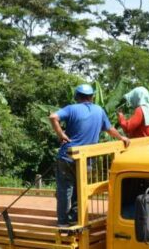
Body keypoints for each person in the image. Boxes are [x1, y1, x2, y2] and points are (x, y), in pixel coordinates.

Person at [50, 83, 130, 226]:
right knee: (80, 190)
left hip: (67, 156)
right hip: (86, 159)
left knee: (65, 190)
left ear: (77, 97)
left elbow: (53, 117)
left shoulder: (72, 108)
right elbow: (110, 129)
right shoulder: (99, 110)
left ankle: (63, 222)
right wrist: (122, 138)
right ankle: (75, 218)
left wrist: (61, 134)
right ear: (92, 96)